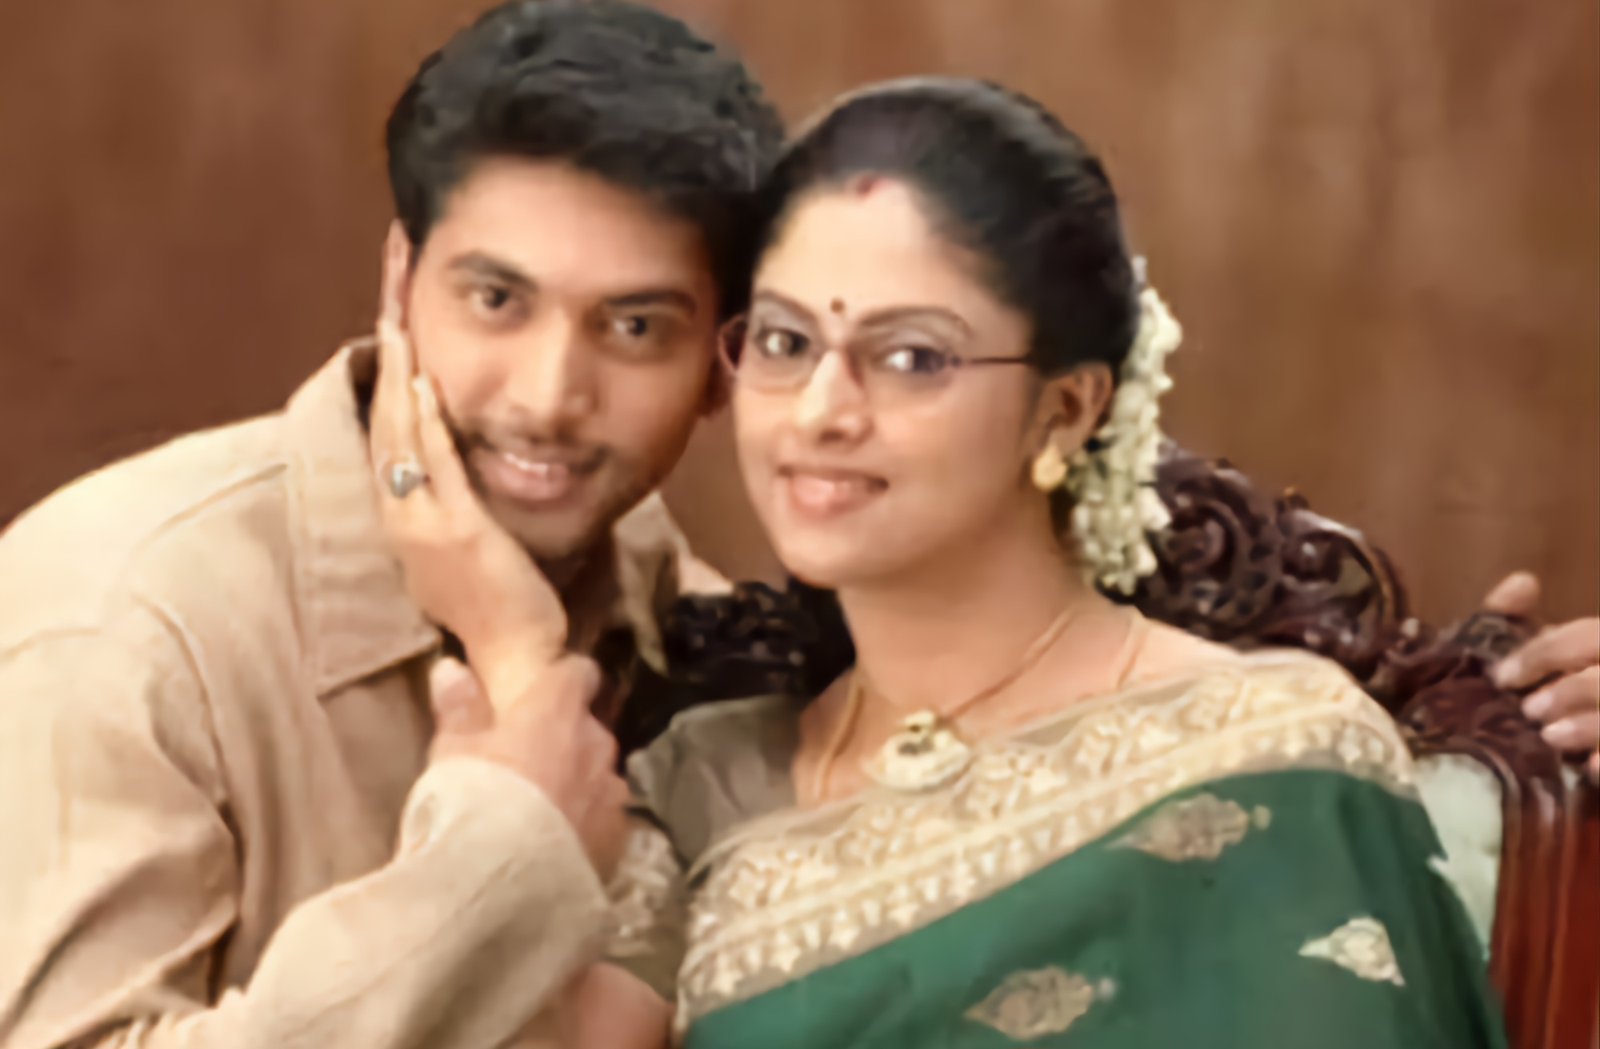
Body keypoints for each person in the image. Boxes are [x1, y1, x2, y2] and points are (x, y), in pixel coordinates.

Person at [410, 77, 1594, 1047]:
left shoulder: (1275, 747)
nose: (819, 410)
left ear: (1065, 410)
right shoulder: (705, 776)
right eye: (783, 341)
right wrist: (518, 658)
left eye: (911, 358)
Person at [0, 3, 780, 1047]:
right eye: (497, 299)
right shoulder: (125, 618)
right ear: (402, 284)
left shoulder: (709, 639)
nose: (549, 396)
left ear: (725, 363)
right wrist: (496, 858)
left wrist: (517, 651)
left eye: (634, 327)